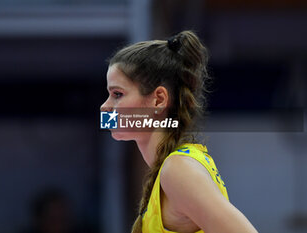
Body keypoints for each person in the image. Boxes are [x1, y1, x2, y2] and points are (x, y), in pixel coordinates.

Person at [100, 31, 258, 233]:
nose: (105, 107)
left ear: (158, 100)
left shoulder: (178, 170)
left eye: (117, 94)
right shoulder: (173, 168)